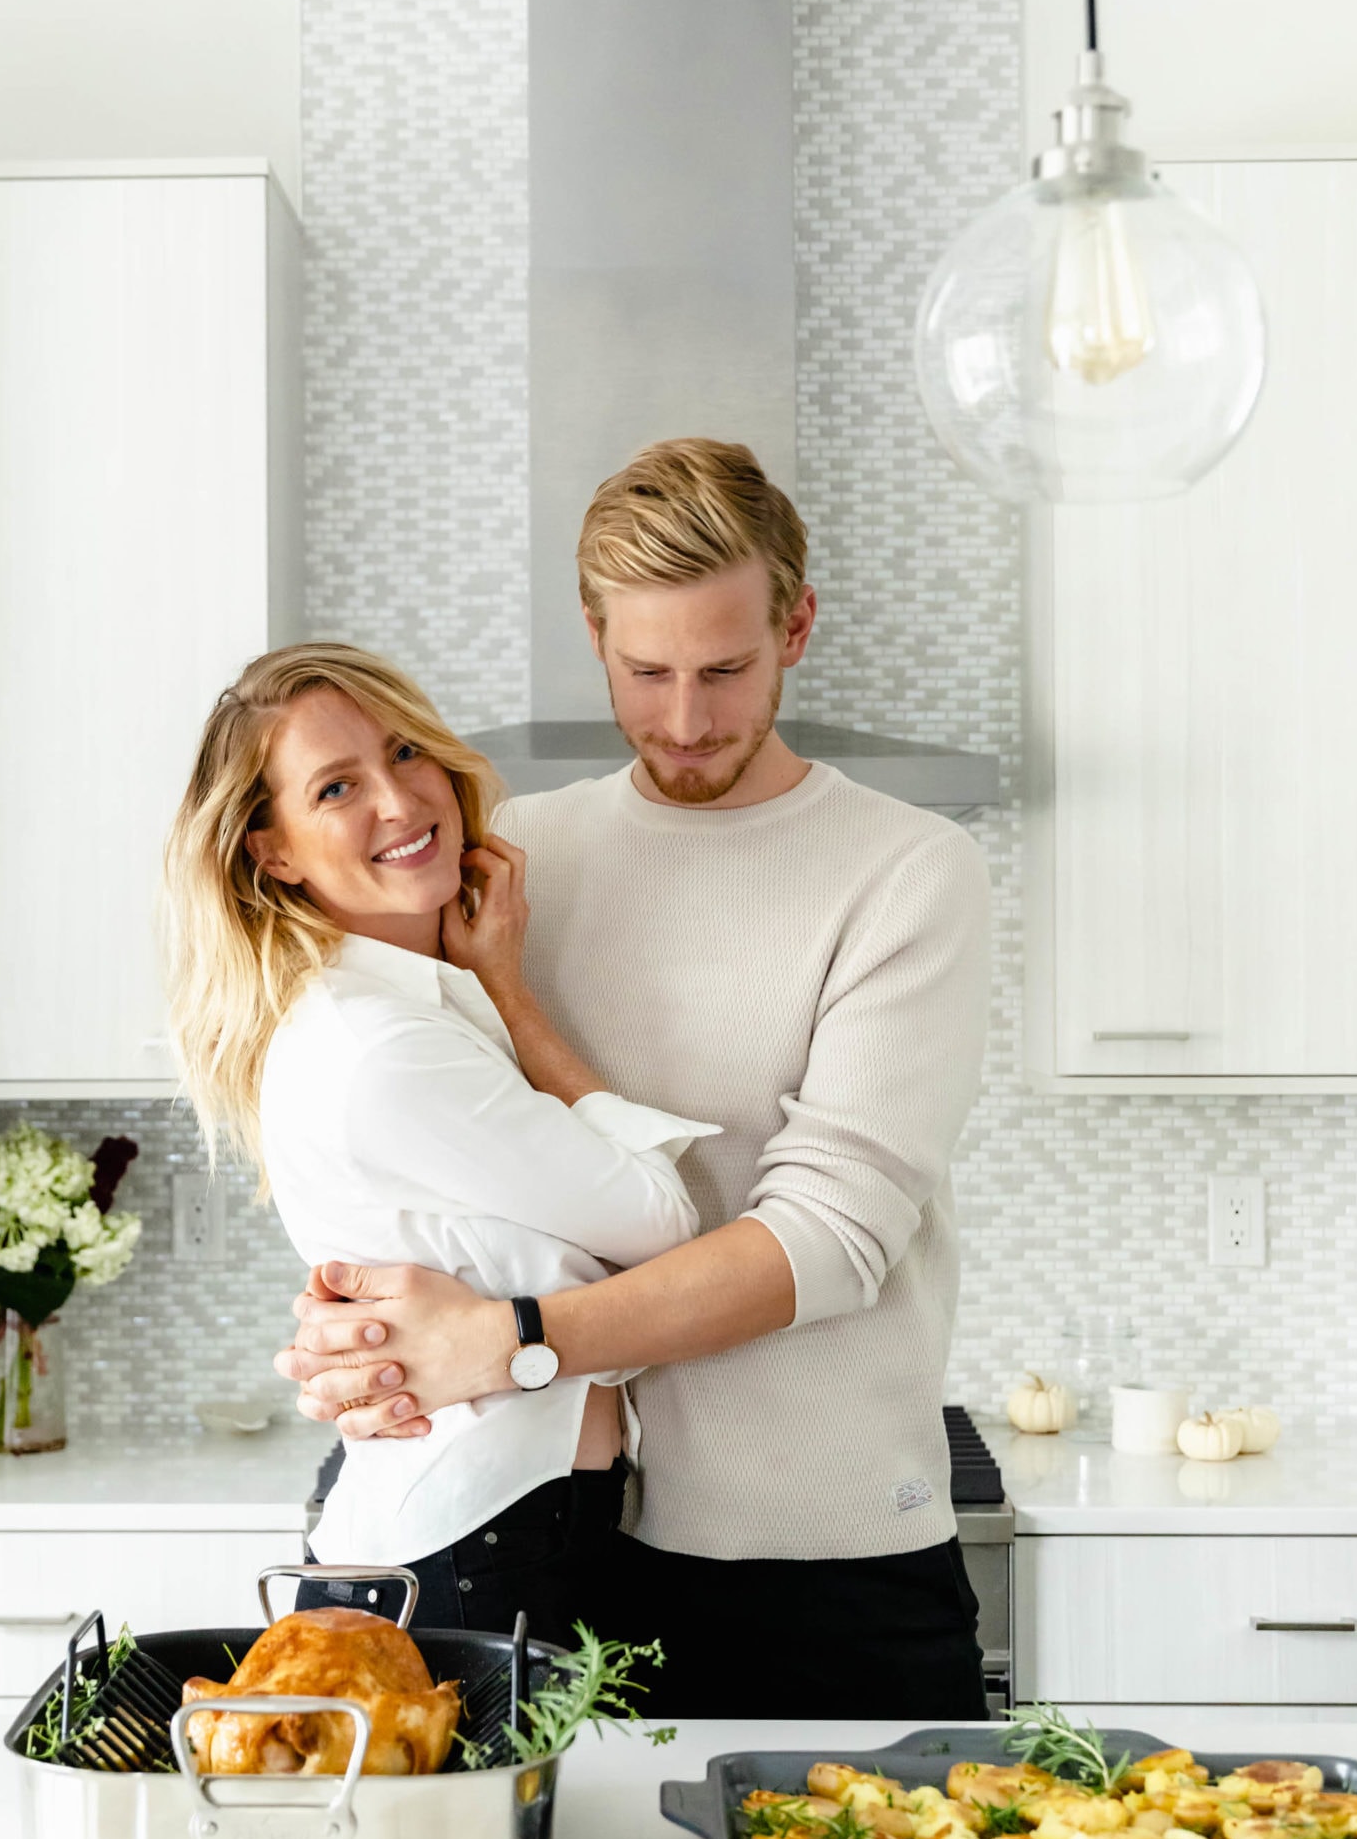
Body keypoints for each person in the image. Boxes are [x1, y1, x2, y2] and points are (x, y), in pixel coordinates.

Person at [278, 440, 993, 1719]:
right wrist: (355, 1322)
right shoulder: (509, 861)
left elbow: (828, 1243)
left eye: (726, 670)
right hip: (540, 1539)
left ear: (797, 625)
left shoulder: (906, 873)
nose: (684, 720)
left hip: (815, 1564)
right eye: (644, 671)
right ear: (594, 634)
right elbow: (424, 1141)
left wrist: (509, 1345)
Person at [162, 640, 714, 1647]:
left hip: (499, 1536)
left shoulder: (401, 1006)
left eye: (406, 751)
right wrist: (508, 981)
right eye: (336, 787)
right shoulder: (382, 1043)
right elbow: (666, 1226)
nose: (401, 800)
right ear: (272, 848)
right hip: (476, 1552)